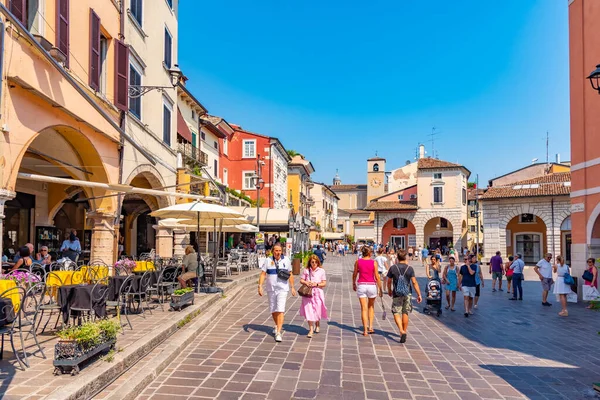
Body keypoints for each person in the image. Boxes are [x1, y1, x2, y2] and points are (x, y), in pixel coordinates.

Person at [258, 243, 296, 342]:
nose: (278, 252)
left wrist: (292, 287)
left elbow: (290, 274)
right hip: (271, 289)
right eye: (276, 250)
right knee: (273, 310)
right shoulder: (268, 260)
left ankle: (278, 332)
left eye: (279, 251)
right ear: (272, 251)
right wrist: (260, 286)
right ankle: (276, 325)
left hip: (282, 289)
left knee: (280, 309)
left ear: (282, 251)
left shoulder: (286, 260)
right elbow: (263, 274)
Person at [387, 250, 422, 343]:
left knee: (396, 312)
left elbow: (389, 281)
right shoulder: (410, 268)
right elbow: (414, 282)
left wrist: (389, 290)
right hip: (407, 293)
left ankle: (401, 331)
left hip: (397, 293)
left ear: (397, 258)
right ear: (405, 257)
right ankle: (404, 331)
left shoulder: (393, 268)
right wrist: (419, 294)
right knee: (405, 312)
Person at [352, 246, 383, 336]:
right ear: (369, 253)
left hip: (361, 285)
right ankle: (371, 327)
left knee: (364, 308)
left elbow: (354, 274)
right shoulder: (374, 262)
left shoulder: (358, 262)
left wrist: (353, 283)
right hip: (371, 285)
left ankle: (365, 330)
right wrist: (380, 288)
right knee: (371, 307)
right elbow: (377, 277)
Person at [299, 254, 328, 338]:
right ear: (310, 262)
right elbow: (301, 280)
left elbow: (324, 283)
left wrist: (317, 284)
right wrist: (306, 282)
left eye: (316, 262)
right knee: (309, 311)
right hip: (308, 293)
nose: (314, 263)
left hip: (318, 293)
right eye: (312, 262)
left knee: (317, 310)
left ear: (318, 262)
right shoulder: (306, 270)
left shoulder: (321, 271)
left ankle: (317, 324)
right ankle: (311, 329)